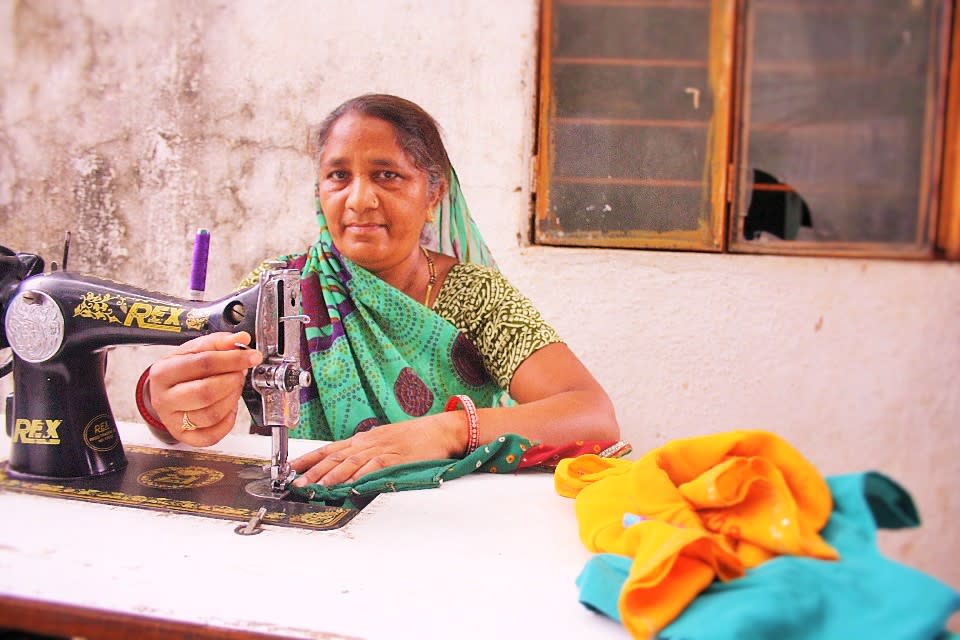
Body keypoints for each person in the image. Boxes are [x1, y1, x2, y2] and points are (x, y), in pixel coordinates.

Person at [141, 94, 620, 488]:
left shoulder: (474, 297)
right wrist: (168, 408)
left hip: (445, 526)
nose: (359, 199)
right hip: (305, 525)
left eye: (387, 175)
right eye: (338, 175)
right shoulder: (280, 289)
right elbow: (186, 404)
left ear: (433, 194)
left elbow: (592, 415)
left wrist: (448, 431)